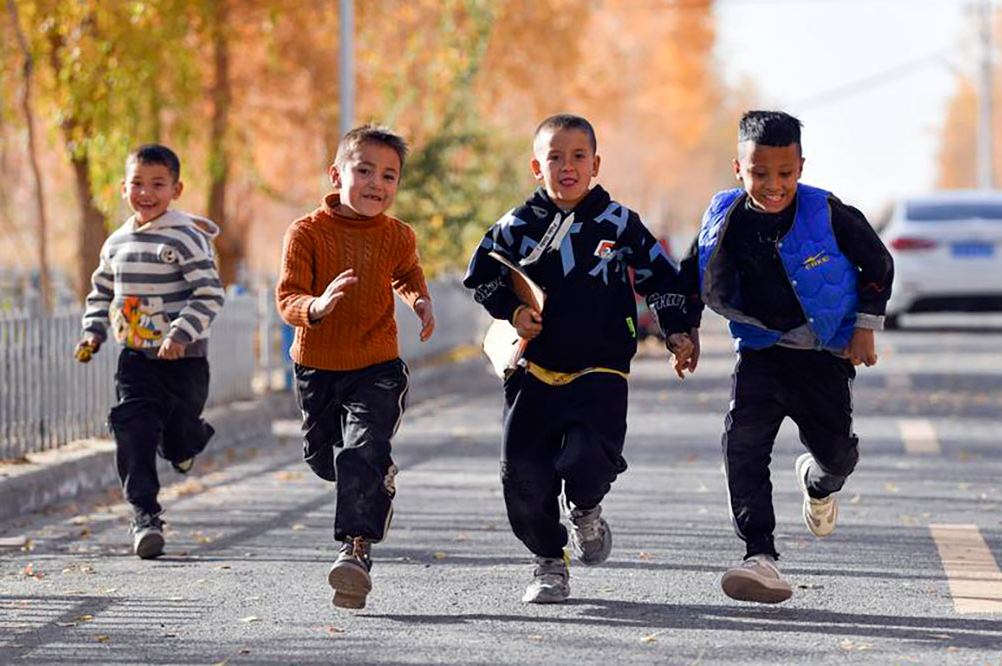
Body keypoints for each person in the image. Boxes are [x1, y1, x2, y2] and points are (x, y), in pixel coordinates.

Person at [463, 114, 693, 604]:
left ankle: (586, 508)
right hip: (533, 370)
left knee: (590, 459)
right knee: (522, 471)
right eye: (554, 157)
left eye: (577, 157)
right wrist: (513, 310)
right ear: (535, 166)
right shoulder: (516, 226)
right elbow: (480, 276)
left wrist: (676, 332)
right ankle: (549, 561)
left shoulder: (619, 222)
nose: (566, 167)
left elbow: (661, 278)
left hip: (602, 368)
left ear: (595, 164)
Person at [673, 110, 893, 604]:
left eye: (785, 174)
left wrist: (865, 328)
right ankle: (760, 554)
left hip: (822, 355)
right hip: (761, 352)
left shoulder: (827, 212)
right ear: (738, 168)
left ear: (801, 167)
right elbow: (692, 275)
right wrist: (683, 333)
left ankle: (817, 484)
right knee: (743, 445)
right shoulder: (723, 217)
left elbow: (878, 263)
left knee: (836, 454)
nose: (772, 186)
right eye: (759, 174)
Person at [276, 124, 435, 611]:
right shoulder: (306, 233)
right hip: (318, 366)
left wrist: (420, 300)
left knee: (362, 449)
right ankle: (373, 475)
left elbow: (407, 273)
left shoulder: (397, 235)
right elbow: (287, 298)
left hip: (377, 365)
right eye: (364, 170)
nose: (376, 184)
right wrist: (317, 306)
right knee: (327, 462)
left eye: (389, 176)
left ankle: (355, 551)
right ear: (337, 174)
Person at [76, 144, 225, 560]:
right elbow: (100, 292)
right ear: (123, 186)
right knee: (133, 429)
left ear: (176, 189)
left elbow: (210, 293)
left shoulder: (186, 237)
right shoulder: (116, 243)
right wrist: (94, 332)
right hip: (136, 359)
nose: (146, 192)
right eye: (137, 183)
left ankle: (186, 444)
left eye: (157, 184)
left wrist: (180, 334)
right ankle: (145, 516)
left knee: (179, 437)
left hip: (184, 360)